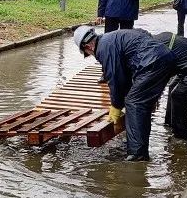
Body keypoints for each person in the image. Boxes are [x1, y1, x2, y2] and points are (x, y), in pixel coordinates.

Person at [74, 25, 176, 161]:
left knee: (134, 103)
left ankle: (137, 155)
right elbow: (126, 76)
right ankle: (136, 144)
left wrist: (116, 106)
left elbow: (116, 79)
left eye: (89, 54)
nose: (92, 56)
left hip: (152, 62)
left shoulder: (104, 48)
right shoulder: (109, 40)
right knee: (138, 102)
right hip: (161, 57)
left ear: (88, 47)